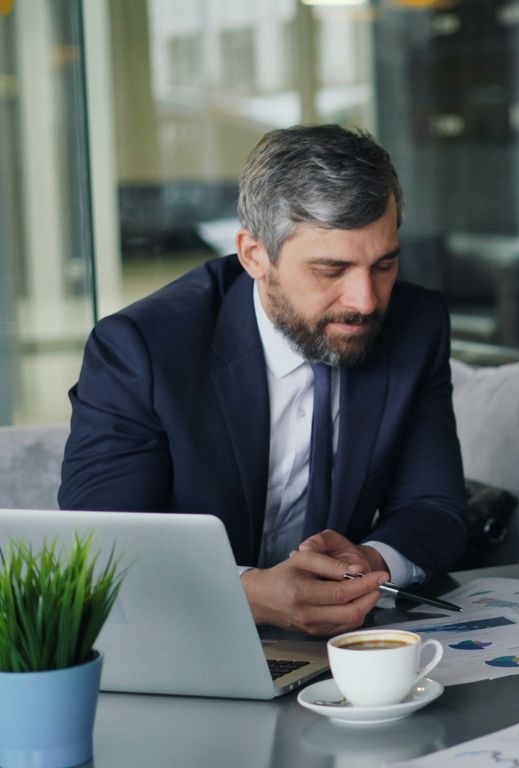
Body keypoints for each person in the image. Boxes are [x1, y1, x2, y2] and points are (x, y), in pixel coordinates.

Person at [60, 125, 467, 637]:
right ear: (255, 255)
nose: (365, 300)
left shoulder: (417, 323)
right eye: (331, 269)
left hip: (343, 644)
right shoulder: (141, 350)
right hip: (185, 639)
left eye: (383, 264)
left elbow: (435, 508)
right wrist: (247, 594)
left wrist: (366, 560)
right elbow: (103, 549)